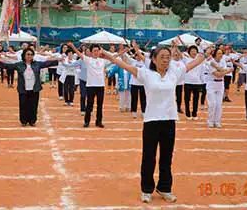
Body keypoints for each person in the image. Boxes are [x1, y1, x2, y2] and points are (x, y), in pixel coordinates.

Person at [102, 43, 207, 204]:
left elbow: (193, 63)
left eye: (168, 57)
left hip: (169, 120)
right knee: (149, 157)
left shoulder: (174, 72)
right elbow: (123, 64)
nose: (166, 60)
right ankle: (146, 189)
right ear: (154, 59)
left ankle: (164, 187)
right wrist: (108, 56)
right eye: (162, 57)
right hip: (151, 121)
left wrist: (205, 54)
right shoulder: (146, 73)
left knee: (167, 157)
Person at [0, 48, 59, 126]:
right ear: (24, 55)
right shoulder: (19, 64)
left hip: (35, 89)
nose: (29, 56)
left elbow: (47, 64)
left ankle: (32, 121)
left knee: (33, 105)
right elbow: (8, 66)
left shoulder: (37, 64)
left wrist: (58, 60)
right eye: (28, 54)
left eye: (31, 54)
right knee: (23, 105)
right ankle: (23, 121)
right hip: (23, 88)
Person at [68, 43, 122, 128]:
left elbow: (113, 58)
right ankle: (87, 121)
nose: (96, 52)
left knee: (100, 105)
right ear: (91, 52)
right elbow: (79, 54)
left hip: (100, 86)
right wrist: (72, 47)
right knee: (89, 104)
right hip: (91, 86)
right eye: (94, 51)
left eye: (97, 51)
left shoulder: (102, 61)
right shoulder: (88, 60)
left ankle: (99, 121)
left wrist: (104, 51)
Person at [206, 48, 232, 128]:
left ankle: (217, 121)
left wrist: (221, 69)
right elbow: (218, 74)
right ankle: (210, 121)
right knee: (212, 104)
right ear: (214, 54)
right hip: (211, 84)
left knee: (219, 104)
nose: (220, 55)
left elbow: (222, 71)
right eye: (219, 53)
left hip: (220, 84)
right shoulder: (210, 62)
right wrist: (227, 71)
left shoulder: (223, 61)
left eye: (221, 53)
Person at [183, 46, 204, 120]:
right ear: (189, 52)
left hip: (197, 82)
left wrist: (202, 81)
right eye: (192, 50)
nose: (194, 52)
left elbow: (202, 71)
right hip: (187, 82)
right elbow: (179, 55)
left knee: (196, 99)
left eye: (195, 50)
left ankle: (194, 113)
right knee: (187, 99)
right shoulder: (186, 59)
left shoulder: (199, 60)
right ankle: (188, 113)